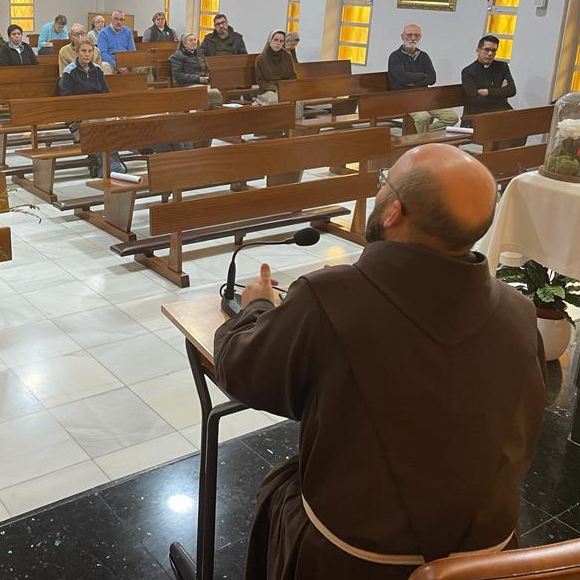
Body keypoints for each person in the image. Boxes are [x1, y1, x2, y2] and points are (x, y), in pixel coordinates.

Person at [215, 143, 546, 580]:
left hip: (353, 560)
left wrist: (257, 308)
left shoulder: (328, 297)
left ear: (393, 212)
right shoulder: (518, 311)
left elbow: (243, 373)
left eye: (383, 185)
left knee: (284, 488)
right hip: (485, 560)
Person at [60, 41, 125, 177]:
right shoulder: (69, 72)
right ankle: (110, 166)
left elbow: (106, 94)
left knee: (110, 124)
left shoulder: (97, 70)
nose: (87, 54)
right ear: (77, 53)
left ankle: (109, 164)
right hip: (79, 116)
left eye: (90, 51)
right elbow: (67, 102)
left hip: (98, 112)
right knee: (98, 127)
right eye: (84, 51)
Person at [387, 25, 458, 133]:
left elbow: (432, 78)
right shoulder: (395, 57)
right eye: (409, 35)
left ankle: (422, 135)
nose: (413, 38)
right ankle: (422, 141)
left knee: (452, 117)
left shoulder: (423, 56)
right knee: (423, 117)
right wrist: (422, 75)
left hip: (423, 97)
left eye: (416, 35)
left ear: (420, 37)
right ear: (402, 37)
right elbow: (403, 78)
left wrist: (412, 81)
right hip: (403, 99)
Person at [461, 35, 516, 119]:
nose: (490, 53)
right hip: (476, 114)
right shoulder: (468, 72)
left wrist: (487, 91)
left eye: (493, 50)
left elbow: (512, 90)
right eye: (486, 49)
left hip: (500, 111)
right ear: (477, 50)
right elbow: (476, 100)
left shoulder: (502, 66)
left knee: (520, 121)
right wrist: (501, 92)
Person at [170, 33, 221, 107]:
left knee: (216, 91)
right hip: (186, 85)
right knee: (212, 93)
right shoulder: (177, 56)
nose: (194, 42)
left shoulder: (199, 55)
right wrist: (198, 78)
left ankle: (212, 114)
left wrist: (207, 77)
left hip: (201, 84)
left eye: (195, 40)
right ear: (184, 44)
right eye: (190, 40)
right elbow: (178, 76)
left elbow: (206, 69)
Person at [254, 29, 298, 105]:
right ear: (270, 40)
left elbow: (293, 75)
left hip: (285, 88)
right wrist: (274, 88)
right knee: (275, 99)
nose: (278, 43)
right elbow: (260, 81)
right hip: (268, 90)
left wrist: (287, 87)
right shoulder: (261, 59)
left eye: (281, 41)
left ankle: (293, 117)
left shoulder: (287, 56)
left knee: (297, 99)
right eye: (276, 40)